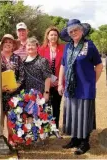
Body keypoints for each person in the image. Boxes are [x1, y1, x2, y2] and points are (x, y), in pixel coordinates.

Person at [58, 19, 103, 155]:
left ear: (81, 31)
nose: (73, 33)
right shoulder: (68, 47)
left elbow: (99, 65)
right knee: (72, 114)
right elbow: (63, 65)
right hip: (71, 87)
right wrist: (60, 83)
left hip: (85, 88)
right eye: (70, 31)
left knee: (83, 115)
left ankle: (85, 142)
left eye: (75, 30)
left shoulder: (89, 45)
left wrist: (92, 82)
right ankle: (75, 139)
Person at [39, 26, 65, 129]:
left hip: (59, 82)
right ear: (47, 36)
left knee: (56, 106)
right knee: (45, 106)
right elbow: (40, 67)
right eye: (51, 35)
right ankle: (46, 128)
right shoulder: (41, 49)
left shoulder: (63, 48)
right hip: (46, 82)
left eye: (55, 34)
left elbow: (65, 65)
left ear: (57, 36)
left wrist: (58, 81)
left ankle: (55, 128)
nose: (53, 36)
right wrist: (51, 79)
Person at [1, 34, 24, 146]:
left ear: (13, 45)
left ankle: (10, 138)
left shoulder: (17, 58)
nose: (8, 44)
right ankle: (0, 138)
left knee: (11, 116)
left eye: (10, 42)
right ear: (2, 44)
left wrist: (16, 86)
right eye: (6, 42)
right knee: (0, 116)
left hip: (13, 92)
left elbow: (22, 75)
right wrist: (0, 87)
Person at [23, 37, 51, 102]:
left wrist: (46, 93)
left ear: (37, 47)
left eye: (33, 45)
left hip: (39, 94)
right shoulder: (23, 61)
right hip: (26, 94)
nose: (30, 47)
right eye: (28, 45)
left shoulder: (43, 61)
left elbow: (48, 77)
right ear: (26, 47)